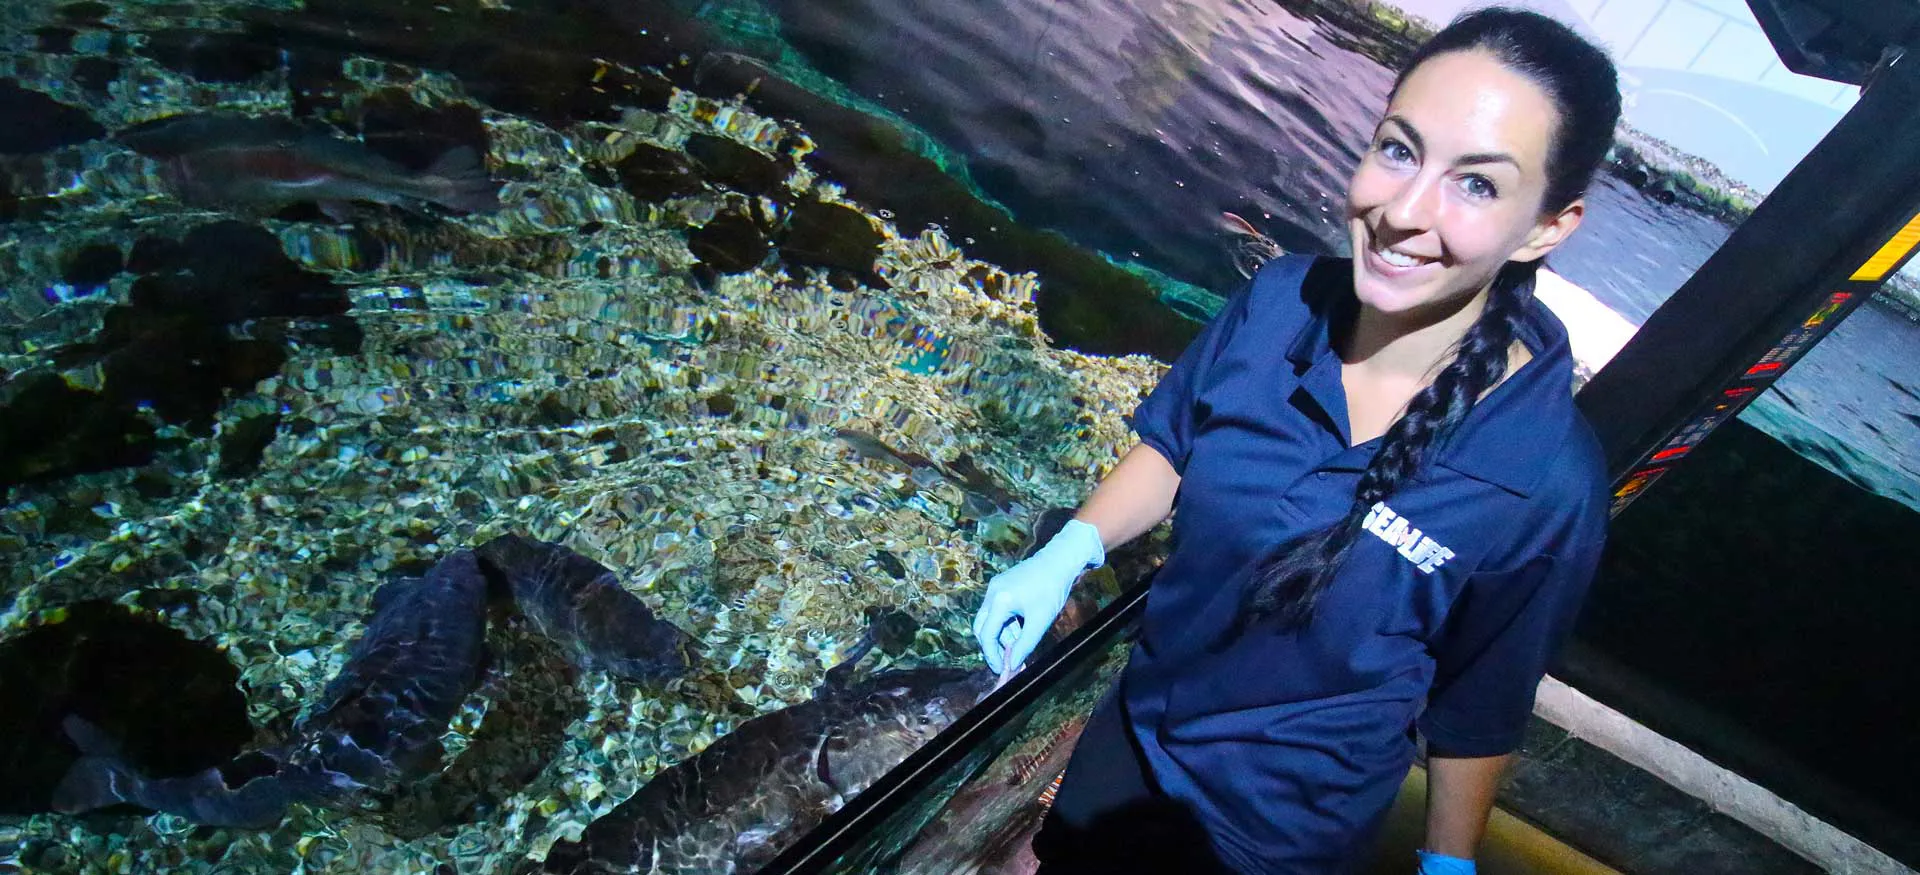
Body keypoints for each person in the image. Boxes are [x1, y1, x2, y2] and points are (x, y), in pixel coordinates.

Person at [972, 8, 1621, 874]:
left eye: (1477, 184)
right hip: (1138, 733)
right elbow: (1175, 443)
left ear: (1547, 225)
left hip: (1278, 838)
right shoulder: (1281, 301)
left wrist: (1449, 860)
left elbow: (1480, 699)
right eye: (1398, 149)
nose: (1402, 212)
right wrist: (1072, 550)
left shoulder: (1547, 477)